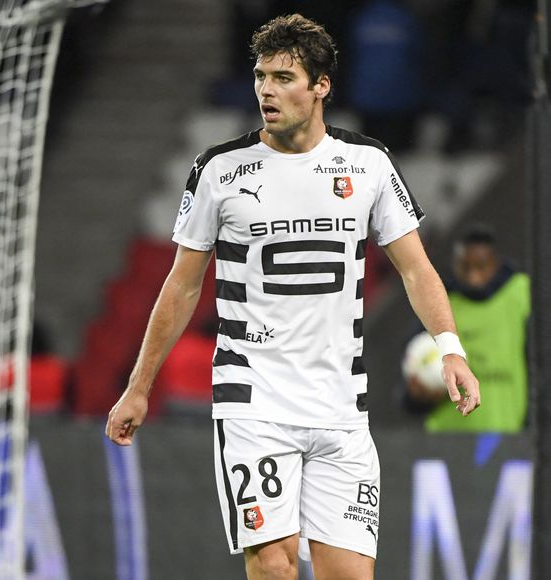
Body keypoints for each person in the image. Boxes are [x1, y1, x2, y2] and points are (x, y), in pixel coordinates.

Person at [106, 14, 480, 580]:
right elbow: (181, 286)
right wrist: (139, 388)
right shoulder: (220, 170)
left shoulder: (368, 164)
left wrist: (450, 347)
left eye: (283, 77)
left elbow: (416, 270)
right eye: (260, 76)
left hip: (340, 407)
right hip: (255, 401)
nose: (266, 90)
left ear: (320, 86)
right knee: (276, 567)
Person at [406, 224, 530, 433]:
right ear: (455, 264)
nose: (474, 276)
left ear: (495, 263)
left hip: (511, 437)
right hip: (447, 439)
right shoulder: (439, 301)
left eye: (481, 266)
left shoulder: (521, 294)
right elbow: (408, 390)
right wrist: (418, 396)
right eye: (465, 267)